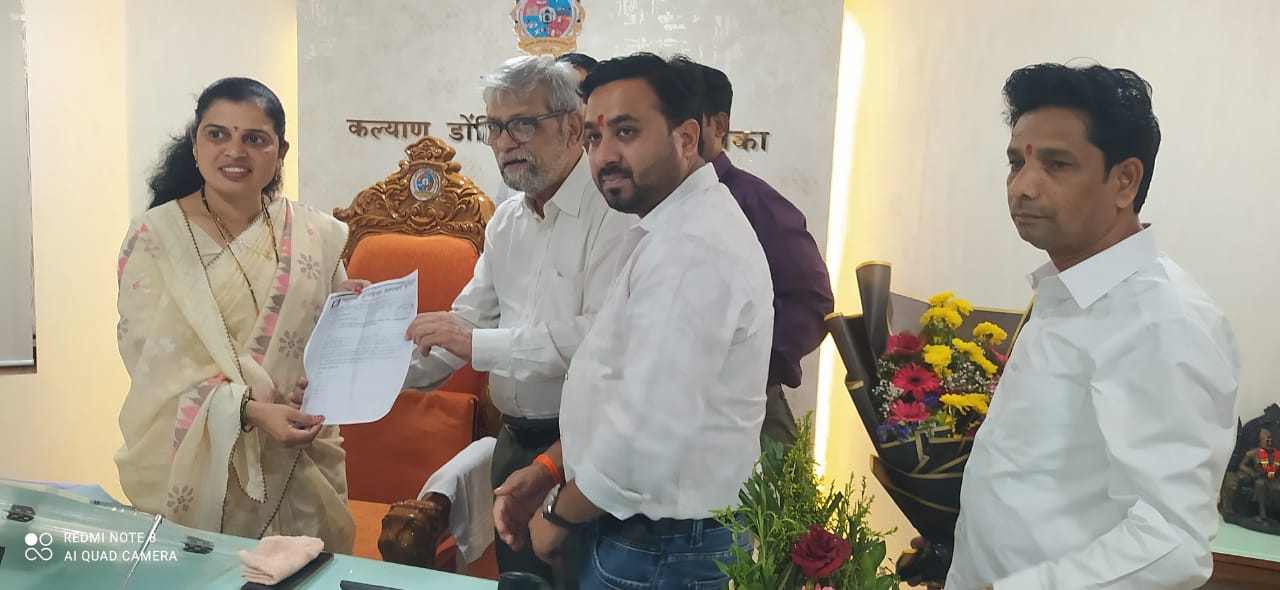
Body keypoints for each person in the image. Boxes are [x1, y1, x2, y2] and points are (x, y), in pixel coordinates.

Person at [941, 62, 1241, 589]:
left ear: (1125, 180)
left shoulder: (1163, 321)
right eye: (1016, 163)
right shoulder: (1067, 295)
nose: (1023, 187)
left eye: (1056, 165)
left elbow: (1170, 542)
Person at [526, 52, 773, 589]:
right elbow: (621, 386)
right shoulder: (672, 228)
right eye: (594, 137)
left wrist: (557, 515)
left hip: (660, 550)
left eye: (626, 131)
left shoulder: (693, 247)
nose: (604, 156)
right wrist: (555, 468)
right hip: (648, 539)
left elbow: (645, 435)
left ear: (686, 138)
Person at [403, 54, 631, 585]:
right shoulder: (506, 221)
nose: (506, 142)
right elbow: (466, 321)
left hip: (583, 449)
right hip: (514, 447)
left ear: (573, 127)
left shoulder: (615, 214)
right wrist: (364, 377)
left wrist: (477, 345)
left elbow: (601, 339)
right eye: (495, 127)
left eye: (524, 124)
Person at [114, 77, 363, 552]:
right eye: (217, 134)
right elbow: (152, 366)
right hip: (197, 472)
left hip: (300, 465)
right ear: (195, 143)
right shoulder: (155, 238)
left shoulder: (313, 235)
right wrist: (248, 411)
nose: (235, 151)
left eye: (254, 138)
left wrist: (354, 313)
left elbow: (328, 344)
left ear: (280, 151)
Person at [683, 60, 834, 446]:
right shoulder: (656, 205)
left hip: (747, 412)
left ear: (718, 126)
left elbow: (813, 302)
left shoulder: (754, 201)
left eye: (685, 121)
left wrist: (743, 367)